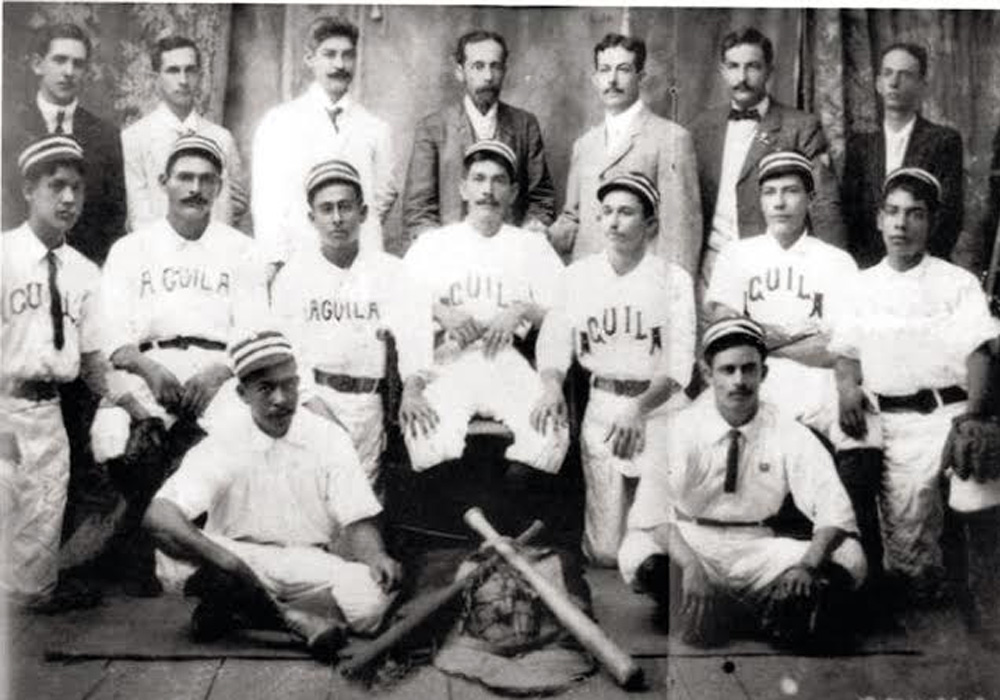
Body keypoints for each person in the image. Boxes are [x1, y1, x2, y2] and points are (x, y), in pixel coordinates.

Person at [143, 330, 400, 657]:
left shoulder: (329, 437)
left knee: (369, 605)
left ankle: (248, 614)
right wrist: (229, 563)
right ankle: (290, 617)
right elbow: (159, 514)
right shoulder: (225, 439)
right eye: (266, 388)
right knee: (171, 555)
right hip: (239, 560)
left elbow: (358, 517)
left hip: (307, 560)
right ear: (242, 394)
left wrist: (375, 555)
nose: (281, 399)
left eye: (289, 384)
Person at [619, 317, 866, 650]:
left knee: (850, 555)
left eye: (749, 369)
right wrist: (691, 565)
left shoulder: (787, 429)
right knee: (637, 550)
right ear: (708, 375)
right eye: (728, 370)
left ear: (763, 373)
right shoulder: (681, 429)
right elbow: (652, 511)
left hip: (758, 548)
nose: (739, 381)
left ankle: (716, 614)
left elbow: (833, 509)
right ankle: (746, 613)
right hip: (694, 541)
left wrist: (806, 566)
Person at [705, 150, 884, 579]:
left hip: (821, 375)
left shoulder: (834, 261)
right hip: (761, 378)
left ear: (809, 197)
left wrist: (766, 337)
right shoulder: (738, 255)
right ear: (760, 200)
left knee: (864, 430)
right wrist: (796, 337)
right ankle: (785, 557)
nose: (780, 202)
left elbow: (841, 343)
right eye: (770, 192)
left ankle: (852, 556)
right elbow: (727, 328)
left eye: (790, 191)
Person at [90, 134, 256, 594]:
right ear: (164, 182)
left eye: (206, 180)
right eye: (184, 177)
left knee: (244, 433)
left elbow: (254, 330)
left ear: (220, 187)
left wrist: (220, 370)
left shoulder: (241, 248)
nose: (194, 189)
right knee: (111, 436)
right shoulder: (132, 249)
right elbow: (111, 336)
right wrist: (148, 369)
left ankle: (217, 558)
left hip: (219, 369)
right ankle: (134, 551)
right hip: (150, 363)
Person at [831, 167, 999, 605]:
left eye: (915, 214)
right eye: (893, 212)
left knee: (977, 483)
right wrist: (848, 388)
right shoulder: (859, 286)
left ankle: (981, 591)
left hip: (950, 415)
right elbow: (845, 353)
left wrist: (975, 416)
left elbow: (978, 354)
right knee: (911, 572)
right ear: (878, 219)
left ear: (932, 222)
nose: (902, 224)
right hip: (893, 421)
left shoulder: (956, 283)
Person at [0, 136, 148, 610]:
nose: (68, 199)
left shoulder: (84, 272)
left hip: (48, 415)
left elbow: (92, 361)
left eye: (77, 190)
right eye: (56, 185)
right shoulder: (3, 257)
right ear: (29, 190)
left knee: (38, 532)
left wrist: (133, 405)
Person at [532, 172, 694, 566]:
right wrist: (552, 385)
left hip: (660, 410)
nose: (615, 222)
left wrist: (639, 409)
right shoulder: (576, 277)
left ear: (651, 224)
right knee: (605, 552)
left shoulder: (673, 279)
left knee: (655, 539)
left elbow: (680, 363)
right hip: (604, 403)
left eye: (627, 212)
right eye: (606, 212)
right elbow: (554, 343)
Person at [268, 159, 437, 491]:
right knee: (312, 500)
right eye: (326, 209)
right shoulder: (293, 276)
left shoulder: (391, 272)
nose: (336, 218)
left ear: (363, 213)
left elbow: (415, 338)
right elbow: (286, 357)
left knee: (361, 502)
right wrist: (319, 415)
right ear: (311, 217)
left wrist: (414, 387)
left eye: (345, 207)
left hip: (367, 405)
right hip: (312, 402)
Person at [404, 139, 568, 476]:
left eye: (498, 180)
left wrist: (521, 309)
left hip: (506, 361)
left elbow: (566, 312)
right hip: (448, 362)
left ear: (513, 191)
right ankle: (471, 520)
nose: (487, 190)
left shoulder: (531, 246)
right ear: (463, 188)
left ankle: (505, 518)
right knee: (426, 437)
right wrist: (437, 310)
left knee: (550, 434)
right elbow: (396, 304)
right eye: (478, 179)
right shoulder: (433, 244)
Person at [689, 27, 845, 294]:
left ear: (769, 71)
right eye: (734, 67)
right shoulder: (701, 127)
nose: (742, 77)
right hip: (711, 269)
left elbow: (823, 205)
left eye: (753, 67)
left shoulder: (800, 127)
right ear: (722, 71)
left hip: (774, 268)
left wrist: (836, 271)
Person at [252, 15, 397, 273]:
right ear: (310, 59)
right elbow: (267, 200)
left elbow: (382, 194)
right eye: (329, 54)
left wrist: (349, 227)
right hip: (298, 258)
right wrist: (276, 259)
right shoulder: (279, 122)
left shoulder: (376, 128)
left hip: (361, 260)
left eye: (348, 55)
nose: (340, 64)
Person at [548, 33, 702, 276]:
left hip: (642, 282)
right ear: (595, 79)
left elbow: (681, 233)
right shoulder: (584, 145)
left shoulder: (670, 138)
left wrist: (671, 296)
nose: (612, 79)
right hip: (588, 280)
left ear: (640, 77)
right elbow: (572, 218)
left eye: (623, 69)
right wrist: (536, 237)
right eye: (605, 70)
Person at [403, 30, 555, 241]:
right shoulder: (432, 128)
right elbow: (418, 210)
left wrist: (530, 233)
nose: (488, 77)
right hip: (453, 253)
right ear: (460, 71)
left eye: (495, 66)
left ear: (504, 71)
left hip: (509, 252)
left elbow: (541, 199)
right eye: (478, 66)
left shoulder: (525, 125)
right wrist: (438, 247)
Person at [2, 23, 126, 266]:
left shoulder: (106, 136)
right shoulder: (9, 128)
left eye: (78, 64)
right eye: (60, 60)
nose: (69, 71)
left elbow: (114, 219)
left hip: (85, 270)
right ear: (38, 64)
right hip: (17, 268)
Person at [843, 43, 964, 269]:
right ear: (878, 83)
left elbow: (948, 217)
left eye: (905, 75)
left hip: (924, 269)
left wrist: (911, 265)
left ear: (922, 85)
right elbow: (851, 216)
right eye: (887, 73)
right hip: (870, 269)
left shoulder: (943, 141)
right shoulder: (860, 145)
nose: (894, 82)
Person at [122, 36, 248, 232]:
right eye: (173, 71)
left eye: (190, 70)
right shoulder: (135, 138)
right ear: (156, 78)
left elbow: (235, 205)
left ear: (200, 75)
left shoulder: (221, 138)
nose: (183, 80)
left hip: (213, 253)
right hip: (156, 254)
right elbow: (138, 213)